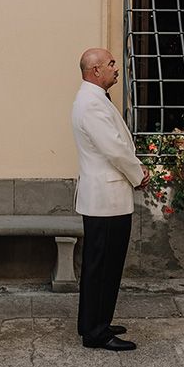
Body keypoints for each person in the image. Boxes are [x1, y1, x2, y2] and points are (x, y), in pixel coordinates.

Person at [71, 48, 149, 351]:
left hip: (105, 197)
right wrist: (138, 174)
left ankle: (94, 321)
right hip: (105, 199)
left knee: (103, 265)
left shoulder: (93, 99)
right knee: (102, 266)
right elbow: (114, 149)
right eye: (111, 64)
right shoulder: (91, 103)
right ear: (95, 70)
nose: (116, 68)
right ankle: (96, 332)